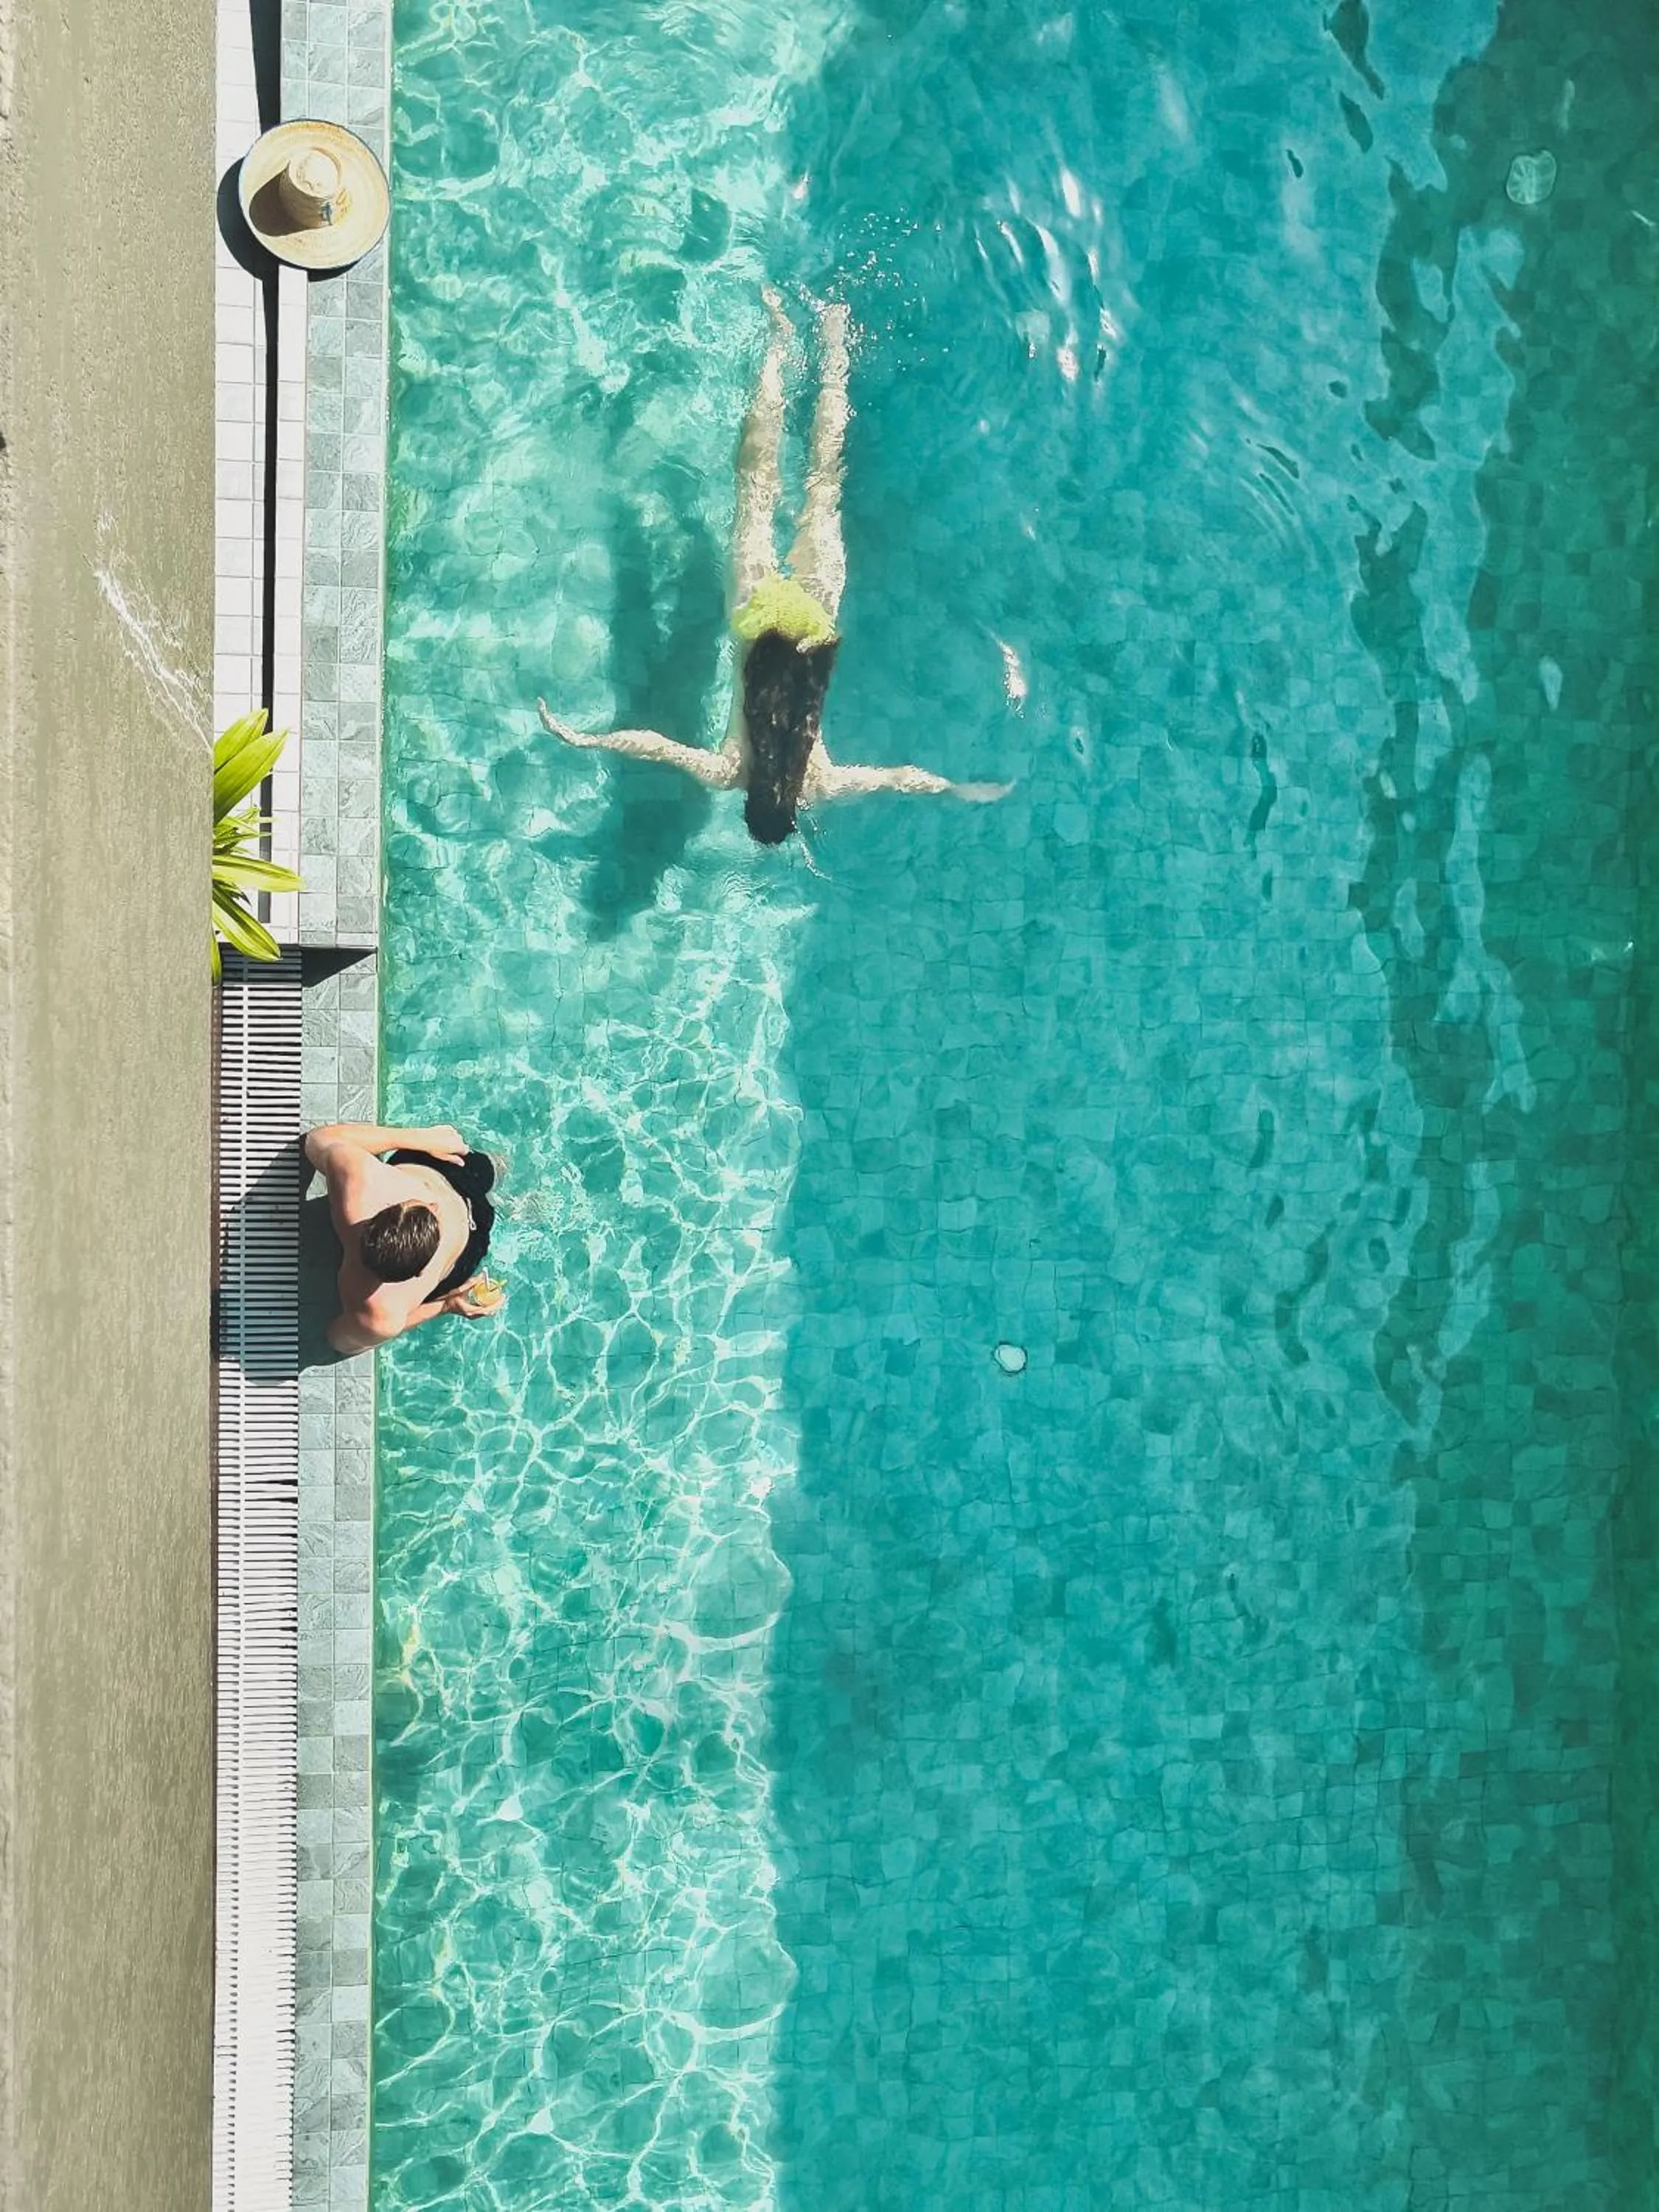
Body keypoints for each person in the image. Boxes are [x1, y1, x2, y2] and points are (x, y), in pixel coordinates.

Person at [538, 291, 1010, 845]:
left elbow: (900, 778)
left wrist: (955, 787)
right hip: (757, 611)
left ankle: (833, 341)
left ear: (790, 807)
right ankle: (779, 341)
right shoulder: (729, 773)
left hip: (814, 617)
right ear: (750, 804)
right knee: (756, 485)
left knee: (823, 479)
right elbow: (656, 746)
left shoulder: (822, 783)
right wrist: (587, 739)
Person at [305, 1120, 504, 1354]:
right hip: (473, 1231)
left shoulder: (357, 1180)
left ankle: (500, 1172)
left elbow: (316, 1141)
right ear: (422, 1271)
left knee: (491, 1165)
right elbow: (339, 1341)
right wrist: (446, 1305)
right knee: (495, 1167)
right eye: (429, 1207)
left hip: (441, 1168)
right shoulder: (381, 1314)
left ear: (380, 1215)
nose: (436, 1205)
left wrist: (421, 1139)